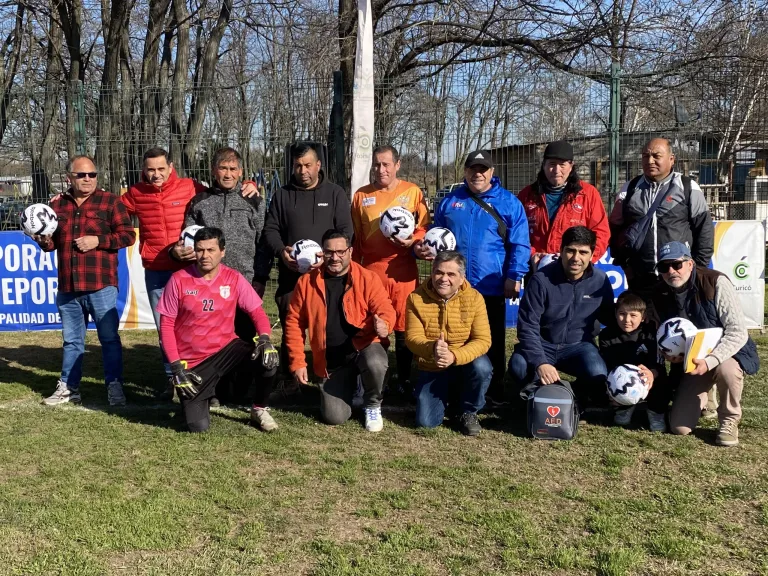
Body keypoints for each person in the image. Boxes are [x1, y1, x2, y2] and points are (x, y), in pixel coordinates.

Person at [121, 147, 258, 388]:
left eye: (161, 169)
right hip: (157, 270)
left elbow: (224, 187)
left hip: (189, 270)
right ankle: (172, 378)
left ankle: (212, 378)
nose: (156, 174)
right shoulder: (135, 193)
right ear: (143, 170)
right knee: (166, 328)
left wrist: (247, 183)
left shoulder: (190, 188)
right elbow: (112, 211)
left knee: (198, 328)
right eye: (151, 170)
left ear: (170, 167)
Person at [415, 150, 530, 404]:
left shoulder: (509, 202)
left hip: (491, 284)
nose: (477, 174)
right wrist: (426, 246)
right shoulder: (450, 201)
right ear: (465, 171)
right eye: (472, 169)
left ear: (492, 172)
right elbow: (436, 234)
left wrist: (514, 274)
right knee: (453, 334)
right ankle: (453, 383)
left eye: (483, 169)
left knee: (491, 340)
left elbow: (520, 243)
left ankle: (494, 389)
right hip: (454, 288)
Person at [33, 156, 136, 406]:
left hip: (101, 284)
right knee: (71, 341)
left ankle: (114, 386)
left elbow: (128, 236)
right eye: (81, 175)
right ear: (69, 177)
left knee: (109, 339)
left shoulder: (110, 202)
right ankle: (69, 388)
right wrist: (43, 240)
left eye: (92, 174)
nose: (87, 179)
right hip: (68, 286)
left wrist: (98, 241)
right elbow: (52, 244)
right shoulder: (57, 205)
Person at [156, 227, 280, 433]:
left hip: (226, 350)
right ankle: (197, 399)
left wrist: (265, 338)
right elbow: (166, 326)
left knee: (268, 360)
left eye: (211, 250)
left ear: (222, 251)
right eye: (200, 250)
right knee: (198, 426)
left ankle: (259, 409)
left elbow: (257, 312)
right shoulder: (178, 279)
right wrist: (177, 367)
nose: (205, 255)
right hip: (194, 362)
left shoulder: (233, 277)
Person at [257, 143, 353, 390]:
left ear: (318, 165)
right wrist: (282, 251)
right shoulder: (282, 195)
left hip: (327, 278)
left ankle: (333, 374)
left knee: (330, 326)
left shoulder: (335, 194)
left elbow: (346, 231)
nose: (303, 170)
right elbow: (270, 230)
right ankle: (290, 379)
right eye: (298, 166)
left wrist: (329, 256)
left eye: (308, 165)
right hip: (292, 278)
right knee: (292, 324)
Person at [283, 230, 395, 431]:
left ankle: (372, 403)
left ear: (350, 251)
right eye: (329, 252)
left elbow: (385, 308)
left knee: (375, 362)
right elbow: (294, 323)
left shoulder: (368, 278)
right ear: (321, 253)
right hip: (332, 361)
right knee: (334, 416)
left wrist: (384, 323)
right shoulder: (306, 282)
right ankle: (354, 383)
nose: (335, 257)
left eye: (340, 251)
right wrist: (298, 362)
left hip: (363, 346)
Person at [652, 241, 759, 447]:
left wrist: (710, 361)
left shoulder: (715, 282)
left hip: (727, 354)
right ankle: (707, 396)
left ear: (690, 263)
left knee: (727, 370)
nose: (671, 271)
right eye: (664, 267)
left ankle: (729, 419)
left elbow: (737, 332)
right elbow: (665, 334)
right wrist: (671, 354)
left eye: (676, 264)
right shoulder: (660, 293)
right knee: (679, 428)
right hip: (693, 361)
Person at [351, 145, 430, 398]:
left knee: (403, 325)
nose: (381, 169)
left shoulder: (412, 192)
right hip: (372, 271)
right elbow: (355, 239)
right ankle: (376, 377)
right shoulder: (361, 196)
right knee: (375, 323)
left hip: (403, 268)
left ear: (397, 165)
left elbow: (424, 228)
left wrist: (415, 241)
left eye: (386, 164)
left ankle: (404, 378)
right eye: (376, 164)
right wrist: (353, 272)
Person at [508, 226, 614, 407]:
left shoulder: (600, 280)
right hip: (544, 344)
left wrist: (637, 314)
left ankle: (572, 393)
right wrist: (540, 362)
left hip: (579, 346)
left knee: (597, 372)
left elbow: (610, 318)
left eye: (583, 252)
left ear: (592, 254)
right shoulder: (541, 279)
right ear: (561, 250)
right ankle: (534, 393)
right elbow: (527, 327)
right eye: (570, 250)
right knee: (518, 366)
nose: (576, 258)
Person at [609, 137, 714, 299]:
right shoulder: (629, 189)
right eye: (645, 156)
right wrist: (625, 264)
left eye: (656, 156)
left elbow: (704, 231)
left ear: (671, 159)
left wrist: (696, 269)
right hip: (641, 280)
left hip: (678, 277)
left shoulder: (688, 187)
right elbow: (615, 229)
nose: (650, 161)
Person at [405, 251, 492, 436]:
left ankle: (469, 411)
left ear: (461, 278)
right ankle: (449, 399)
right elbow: (412, 339)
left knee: (482, 366)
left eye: (451, 274)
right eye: (438, 272)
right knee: (426, 423)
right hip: (431, 366)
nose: (443, 279)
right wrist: (432, 348)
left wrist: (454, 356)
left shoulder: (475, 298)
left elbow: (483, 340)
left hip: (465, 363)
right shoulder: (415, 298)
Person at [517, 140, 609, 266]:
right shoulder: (526, 196)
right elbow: (517, 233)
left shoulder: (588, 194)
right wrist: (532, 255)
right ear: (543, 165)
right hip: (536, 269)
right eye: (552, 164)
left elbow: (601, 232)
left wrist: (584, 260)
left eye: (562, 165)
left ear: (571, 166)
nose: (556, 170)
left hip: (575, 270)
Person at [598, 291, 668, 431]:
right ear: (616, 313)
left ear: (643, 317)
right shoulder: (606, 336)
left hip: (649, 376)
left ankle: (655, 411)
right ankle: (625, 407)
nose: (626, 320)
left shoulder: (651, 334)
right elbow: (609, 365)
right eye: (622, 314)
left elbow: (660, 364)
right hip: (622, 378)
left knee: (663, 381)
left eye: (633, 315)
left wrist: (652, 373)